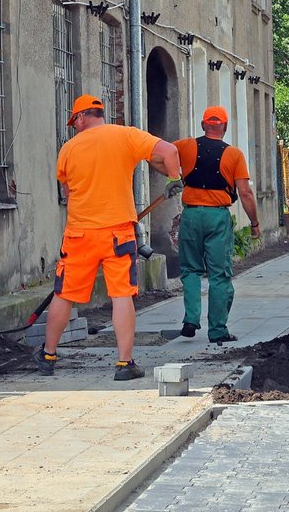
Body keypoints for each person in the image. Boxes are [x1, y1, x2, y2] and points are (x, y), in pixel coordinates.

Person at [34, 94, 183, 380]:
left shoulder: (68, 148)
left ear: (80, 118)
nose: (74, 127)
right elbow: (170, 152)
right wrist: (174, 179)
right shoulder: (125, 136)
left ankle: (48, 356)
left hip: (78, 235)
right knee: (121, 296)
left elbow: (67, 194)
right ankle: (125, 364)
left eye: (74, 122)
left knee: (64, 295)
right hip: (118, 233)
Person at [172, 106, 260, 344]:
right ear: (225, 127)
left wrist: (173, 176)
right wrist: (254, 222)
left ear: (203, 126)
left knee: (190, 269)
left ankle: (191, 318)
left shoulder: (185, 146)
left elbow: (159, 154)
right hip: (217, 218)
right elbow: (245, 193)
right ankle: (217, 330)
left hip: (190, 217)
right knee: (219, 275)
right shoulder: (234, 155)